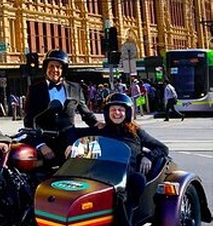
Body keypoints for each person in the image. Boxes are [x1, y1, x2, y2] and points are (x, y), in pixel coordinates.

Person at [72, 93, 169, 226]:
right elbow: (71, 132)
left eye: (121, 110)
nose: (117, 113)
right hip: (103, 175)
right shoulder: (101, 130)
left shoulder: (136, 132)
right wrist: (70, 145)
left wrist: (149, 156)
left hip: (127, 176)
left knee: (134, 183)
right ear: (107, 112)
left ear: (127, 112)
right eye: (113, 109)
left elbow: (162, 148)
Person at [24, 49, 100, 164]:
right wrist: (41, 145)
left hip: (68, 142)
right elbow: (29, 121)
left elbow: (86, 114)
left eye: (58, 67)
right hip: (45, 142)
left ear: (63, 70)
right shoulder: (35, 89)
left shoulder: (75, 88)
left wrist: (98, 124)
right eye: (51, 66)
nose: (54, 70)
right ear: (46, 68)